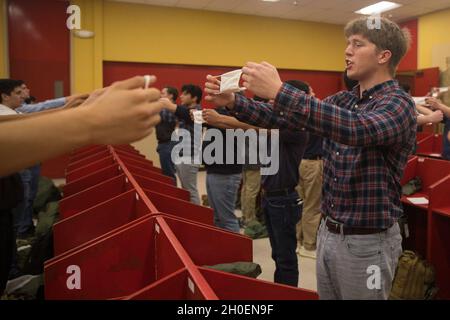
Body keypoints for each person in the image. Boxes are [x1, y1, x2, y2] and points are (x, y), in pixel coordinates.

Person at [205, 17, 416, 299]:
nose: (347, 51)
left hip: (368, 242)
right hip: (329, 233)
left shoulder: (398, 103)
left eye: (357, 44)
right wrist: (234, 102)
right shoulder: (345, 100)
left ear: (383, 55)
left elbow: (357, 129)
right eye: (347, 44)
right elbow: (282, 119)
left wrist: (280, 91)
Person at [204, 80, 310, 287]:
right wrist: (223, 117)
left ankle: (287, 293)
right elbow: (254, 124)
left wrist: (224, 118)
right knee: (278, 255)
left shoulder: (297, 126)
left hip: (284, 199)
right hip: (272, 197)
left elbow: (256, 127)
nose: (274, 99)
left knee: (285, 260)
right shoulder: (280, 122)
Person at [159, 84, 203, 205]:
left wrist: (168, 104)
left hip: (190, 156)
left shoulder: (197, 112)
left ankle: (196, 219)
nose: (181, 96)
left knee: (190, 191)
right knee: (185, 190)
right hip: (183, 155)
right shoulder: (184, 111)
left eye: (185, 94)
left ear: (194, 98)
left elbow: (182, 112)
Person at [295, 84, 323, 259]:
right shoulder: (313, 114)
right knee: (313, 206)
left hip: (300, 162)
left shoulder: (295, 114)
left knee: (303, 203)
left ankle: (299, 240)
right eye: (312, 92)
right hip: (313, 163)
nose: (315, 94)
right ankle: (309, 246)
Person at [156, 86, 178, 184]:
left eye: (163, 93)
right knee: (167, 173)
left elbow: (161, 114)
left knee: (169, 175)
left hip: (167, 144)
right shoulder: (164, 109)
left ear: (171, 96)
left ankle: (173, 197)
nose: (160, 96)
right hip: (165, 143)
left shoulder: (168, 110)